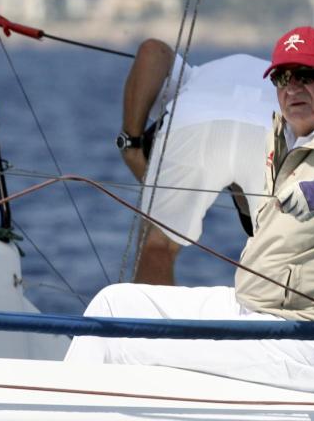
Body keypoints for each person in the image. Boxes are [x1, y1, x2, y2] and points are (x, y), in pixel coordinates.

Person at [67, 26, 314, 393]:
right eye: (283, 77)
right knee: (113, 304)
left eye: (307, 76)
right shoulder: (289, 133)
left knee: (133, 339)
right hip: (263, 316)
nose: (293, 88)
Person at [117, 38, 276, 285]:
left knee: (158, 246)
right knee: (283, 251)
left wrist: (131, 143)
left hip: (194, 122)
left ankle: (154, 322)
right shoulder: (289, 81)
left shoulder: (192, 78)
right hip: (268, 128)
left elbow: (151, 50)